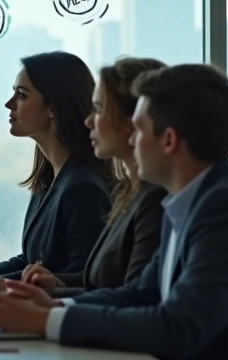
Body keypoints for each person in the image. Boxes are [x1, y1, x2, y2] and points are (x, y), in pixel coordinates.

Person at [0, 64, 228, 360]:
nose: (132, 141)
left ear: (168, 141)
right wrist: (52, 308)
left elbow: (178, 327)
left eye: (140, 130)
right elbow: (139, 294)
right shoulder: (195, 200)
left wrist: (47, 322)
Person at [0, 51, 117, 295]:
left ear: (53, 107)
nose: (9, 103)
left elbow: (86, 280)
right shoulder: (50, 180)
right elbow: (33, 262)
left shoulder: (83, 189)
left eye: (21, 95)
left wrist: (4, 285)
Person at [19, 57, 168, 297]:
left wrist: (49, 306)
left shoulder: (150, 200)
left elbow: (135, 298)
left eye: (98, 110)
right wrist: (57, 286)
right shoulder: (127, 192)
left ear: (133, 123)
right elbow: (99, 283)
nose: (88, 121)